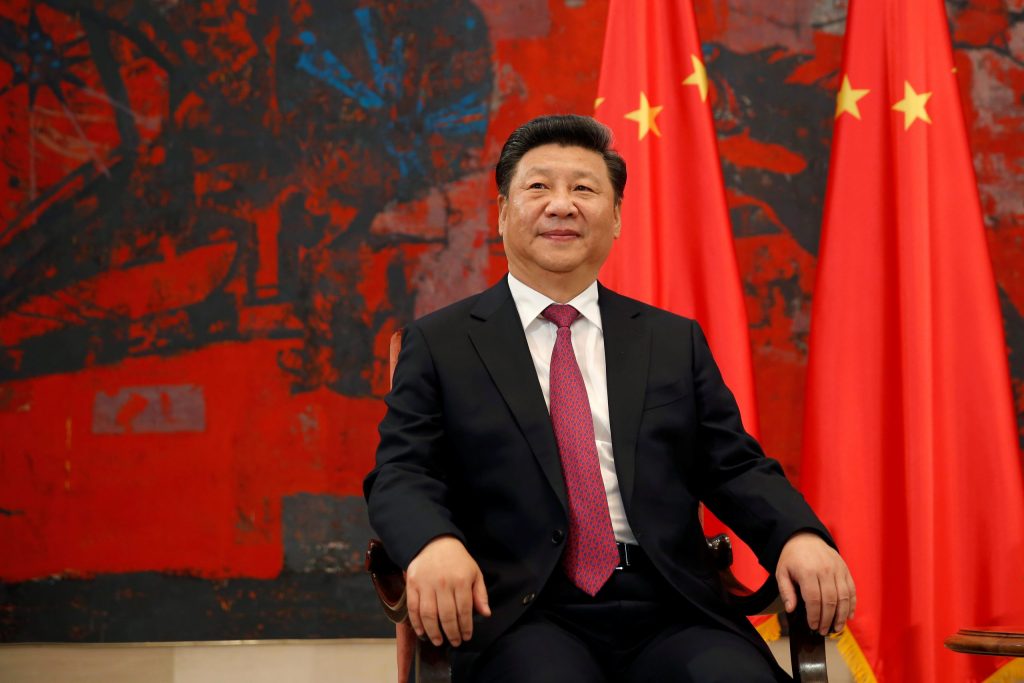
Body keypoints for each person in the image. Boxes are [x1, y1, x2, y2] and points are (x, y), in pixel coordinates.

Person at [364, 114, 855, 682]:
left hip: (672, 606)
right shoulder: (442, 343)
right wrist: (432, 543)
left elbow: (735, 467)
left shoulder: (670, 340)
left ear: (616, 217)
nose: (561, 205)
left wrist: (798, 535)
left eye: (584, 189)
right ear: (502, 214)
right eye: (538, 186)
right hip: (524, 613)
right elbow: (401, 472)